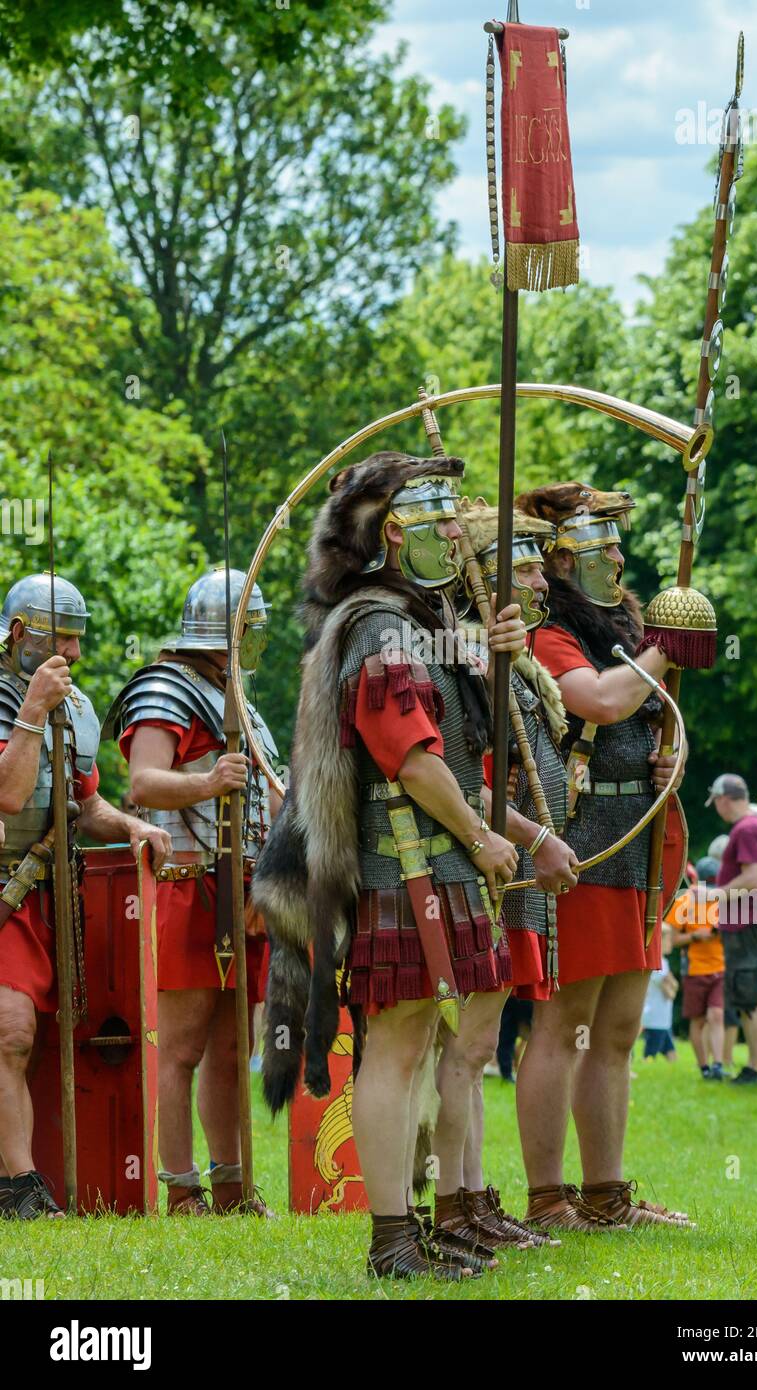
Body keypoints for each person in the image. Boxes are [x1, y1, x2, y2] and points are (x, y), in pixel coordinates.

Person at [252, 453, 524, 1280]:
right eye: (445, 522)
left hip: (430, 860)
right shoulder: (379, 626)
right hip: (396, 859)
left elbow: (474, 735)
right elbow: (408, 754)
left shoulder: (420, 619)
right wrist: (481, 839)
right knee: (397, 1050)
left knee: (420, 1047)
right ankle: (391, 1239)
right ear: (396, 533)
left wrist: (494, 647)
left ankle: (421, 1225)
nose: (460, 536)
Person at [512, 481, 691, 1230]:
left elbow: (655, 718)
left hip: (635, 842)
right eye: (603, 545)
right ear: (561, 559)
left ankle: (606, 1194)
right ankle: (549, 1199)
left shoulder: (620, 627)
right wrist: (666, 640)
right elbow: (602, 701)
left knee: (616, 1029)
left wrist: (672, 758)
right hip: (579, 842)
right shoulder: (548, 630)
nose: (620, 555)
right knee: (562, 1025)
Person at [105, 568, 281, 1216]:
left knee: (236, 1045)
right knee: (181, 1048)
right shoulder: (166, 688)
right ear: (228, 630)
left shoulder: (233, 692)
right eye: (251, 628)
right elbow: (143, 784)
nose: (257, 639)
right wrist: (207, 784)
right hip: (190, 885)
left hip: (244, 887)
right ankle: (181, 1187)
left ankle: (232, 1183)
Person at [426, 501, 576, 1254]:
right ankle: (453, 1205)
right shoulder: (457, 654)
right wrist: (535, 836)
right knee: (467, 1043)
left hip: (509, 865)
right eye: (519, 564)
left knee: (477, 1047)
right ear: (481, 572)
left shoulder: (502, 657)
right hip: (483, 860)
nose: (537, 576)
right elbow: (461, 777)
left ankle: (474, 1195)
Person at [0, 574, 170, 1219]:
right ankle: (20, 1187)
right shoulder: (22, 703)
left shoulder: (76, 707)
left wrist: (132, 826)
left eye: (77, 639)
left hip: (44, 893)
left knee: (30, 1042)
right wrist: (32, 712)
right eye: (60, 638)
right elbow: (8, 796)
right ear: (19, 634)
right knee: (11, 1035)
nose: (73, 653)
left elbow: (83, 803)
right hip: (1, 888)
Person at [705, 773, 757, 1087]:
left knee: (751, 997)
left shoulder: (746, 828)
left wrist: (713, 895)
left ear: (723, 799)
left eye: (716, 803)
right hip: (751, 919)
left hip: (746, 920)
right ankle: (754, 1067)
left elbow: (753, 878)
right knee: (748, 996)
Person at [667, 855, 724, 1080]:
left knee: (717, 1014)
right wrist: (695, 937)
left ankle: (718, 1065)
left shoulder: (723, 900)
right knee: (698, 1020)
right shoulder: (685, 902)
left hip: (721, 967)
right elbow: (671, 941)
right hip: (694, 969)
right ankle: (704, 1068)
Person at [641, 935, 677, 1063]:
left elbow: (673, 984)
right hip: (655, 1016)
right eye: (668, 940)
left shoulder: (665, 962)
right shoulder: (656, 963)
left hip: (664, 1017)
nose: (671, 943)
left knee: (671, 1053)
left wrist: (671, 984)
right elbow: (668, 988)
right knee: (650, 1054)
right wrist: (671, 987)